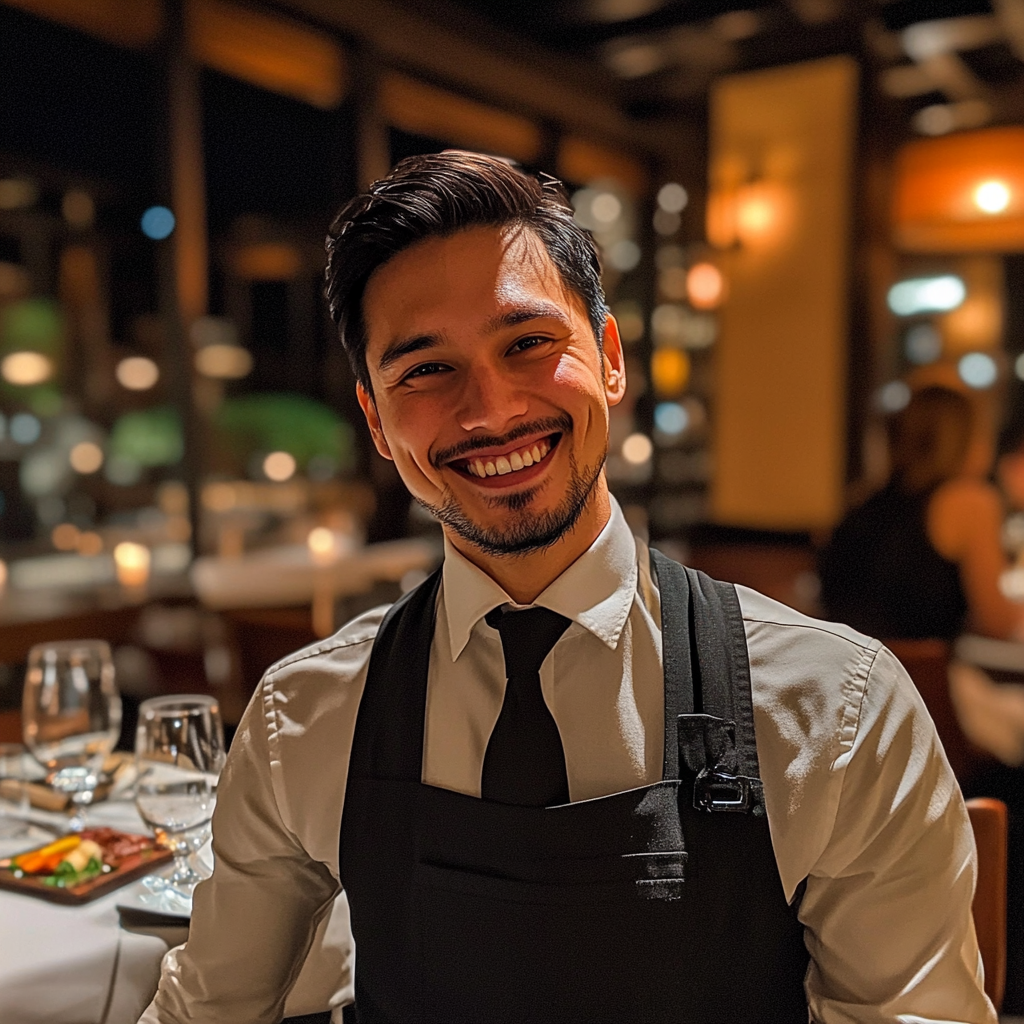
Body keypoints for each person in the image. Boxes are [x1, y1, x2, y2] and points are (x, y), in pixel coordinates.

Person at [141, 153, 994, 1023]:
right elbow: (208, 1008)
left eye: (528, 343)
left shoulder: (836, 709)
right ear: (377, 420)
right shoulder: (306, 717)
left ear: (611, 357)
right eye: (426, 370)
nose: (490, 409)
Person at [820, 385, 1023, 642]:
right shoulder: (969, 500)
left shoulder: (861, 503)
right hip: (916, 678)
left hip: (845, 675)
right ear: (964, 439)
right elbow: (998, 624)